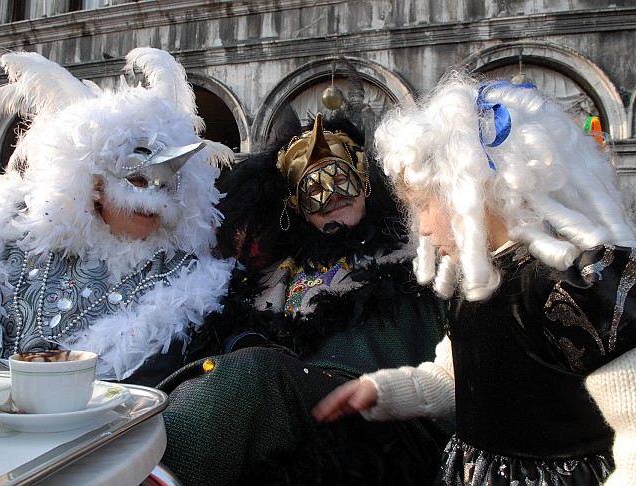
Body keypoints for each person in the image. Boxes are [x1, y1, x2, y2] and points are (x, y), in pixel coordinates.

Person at [312, 72, 636, 485]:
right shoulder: (477, 284)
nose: (421, 228)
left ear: (470, 195)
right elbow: (454, 379)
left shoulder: (571, 288)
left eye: (425, 205)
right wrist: (382, 390)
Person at [157, 113, 451, 486]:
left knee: (256, 373)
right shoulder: (276, 274)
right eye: (313, 191)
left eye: (341, 179)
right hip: (282, 420)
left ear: (363, 183)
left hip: (380, 420)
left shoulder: (419, 263)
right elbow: (225, 338)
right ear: (296, 206)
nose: (331, 197)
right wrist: (244, 338)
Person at [0, 48, 235, 386]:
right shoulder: (12, 235)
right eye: (137, 180)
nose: (154, 201)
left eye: (167, 187)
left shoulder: (181, 276)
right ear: (94, 184)